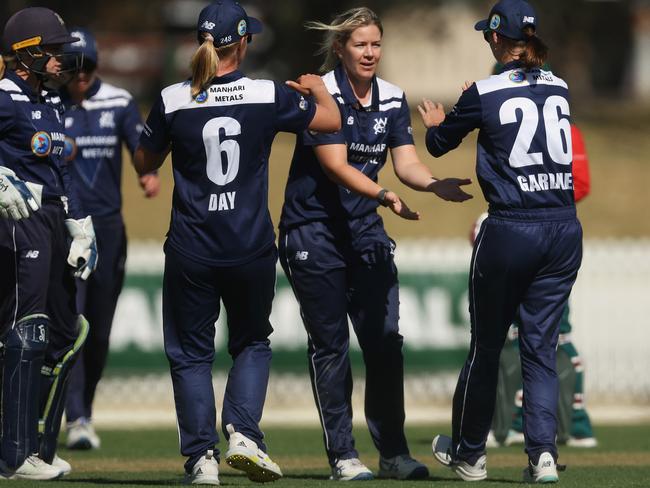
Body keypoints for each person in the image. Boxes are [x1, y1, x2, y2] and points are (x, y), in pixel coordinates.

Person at [134, 0, 341, 484]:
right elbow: (329, 123)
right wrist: (317, 91)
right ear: (243, 42)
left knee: (190, 354)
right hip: (249, 246)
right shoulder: (266, 93)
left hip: (191, 246)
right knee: (250, 342)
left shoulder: (171, 99)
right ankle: (243, 433)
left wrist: (161, 153)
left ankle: (201, 459)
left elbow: (145, 162)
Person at [278, 7, 472, 482]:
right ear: (341, 48)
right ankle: (343, 455)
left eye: (376, 44)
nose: (370, 53)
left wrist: (431, 184)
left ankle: (393, 453)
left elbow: (405, 162)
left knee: (385, 344)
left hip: (365, 233)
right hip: (314, 232)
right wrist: (386, 195)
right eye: (360, 44)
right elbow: (336, 165)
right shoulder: (319, 94)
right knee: (331, 346)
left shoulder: (391, 98)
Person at [421, 0, 583, 483]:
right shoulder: (561, 85)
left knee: (487, 346)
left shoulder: (485, 91)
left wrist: (436, 123)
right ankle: (543, 456)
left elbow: (437, 145)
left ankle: (470, 453)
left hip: (512, 227)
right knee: (540, 348)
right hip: (564, 228)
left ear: (495, 39)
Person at [0, 7, 97, 480]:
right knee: (27, 326)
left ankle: (40, 444)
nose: (62, 60)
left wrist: (80, 220)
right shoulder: (3, 96)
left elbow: (62, 169)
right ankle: (15, 455)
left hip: (55, 219)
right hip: (19, 220)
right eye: (54, 51)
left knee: (67, 333)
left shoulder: (53, 102)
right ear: (28, 53)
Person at [59, 27, 160, 451]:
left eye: (89, 66)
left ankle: (86, 408)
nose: (81, 75)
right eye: (73, 67)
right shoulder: (47, 103)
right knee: (70, 324)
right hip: (62, 227)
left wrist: (147, 173)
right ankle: (74, 417)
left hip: (108, 230)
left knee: (98, 331)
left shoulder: (118, 102)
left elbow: (139, 148)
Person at [485, 122, 596, 448]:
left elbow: (582, 183)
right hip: (516, 231)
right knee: (513, 339)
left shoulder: (565, 126)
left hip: (547, 234)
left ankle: (572, 426)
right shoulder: (499, 121)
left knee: (553, 337)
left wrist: (532, 200)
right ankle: (516, 426)